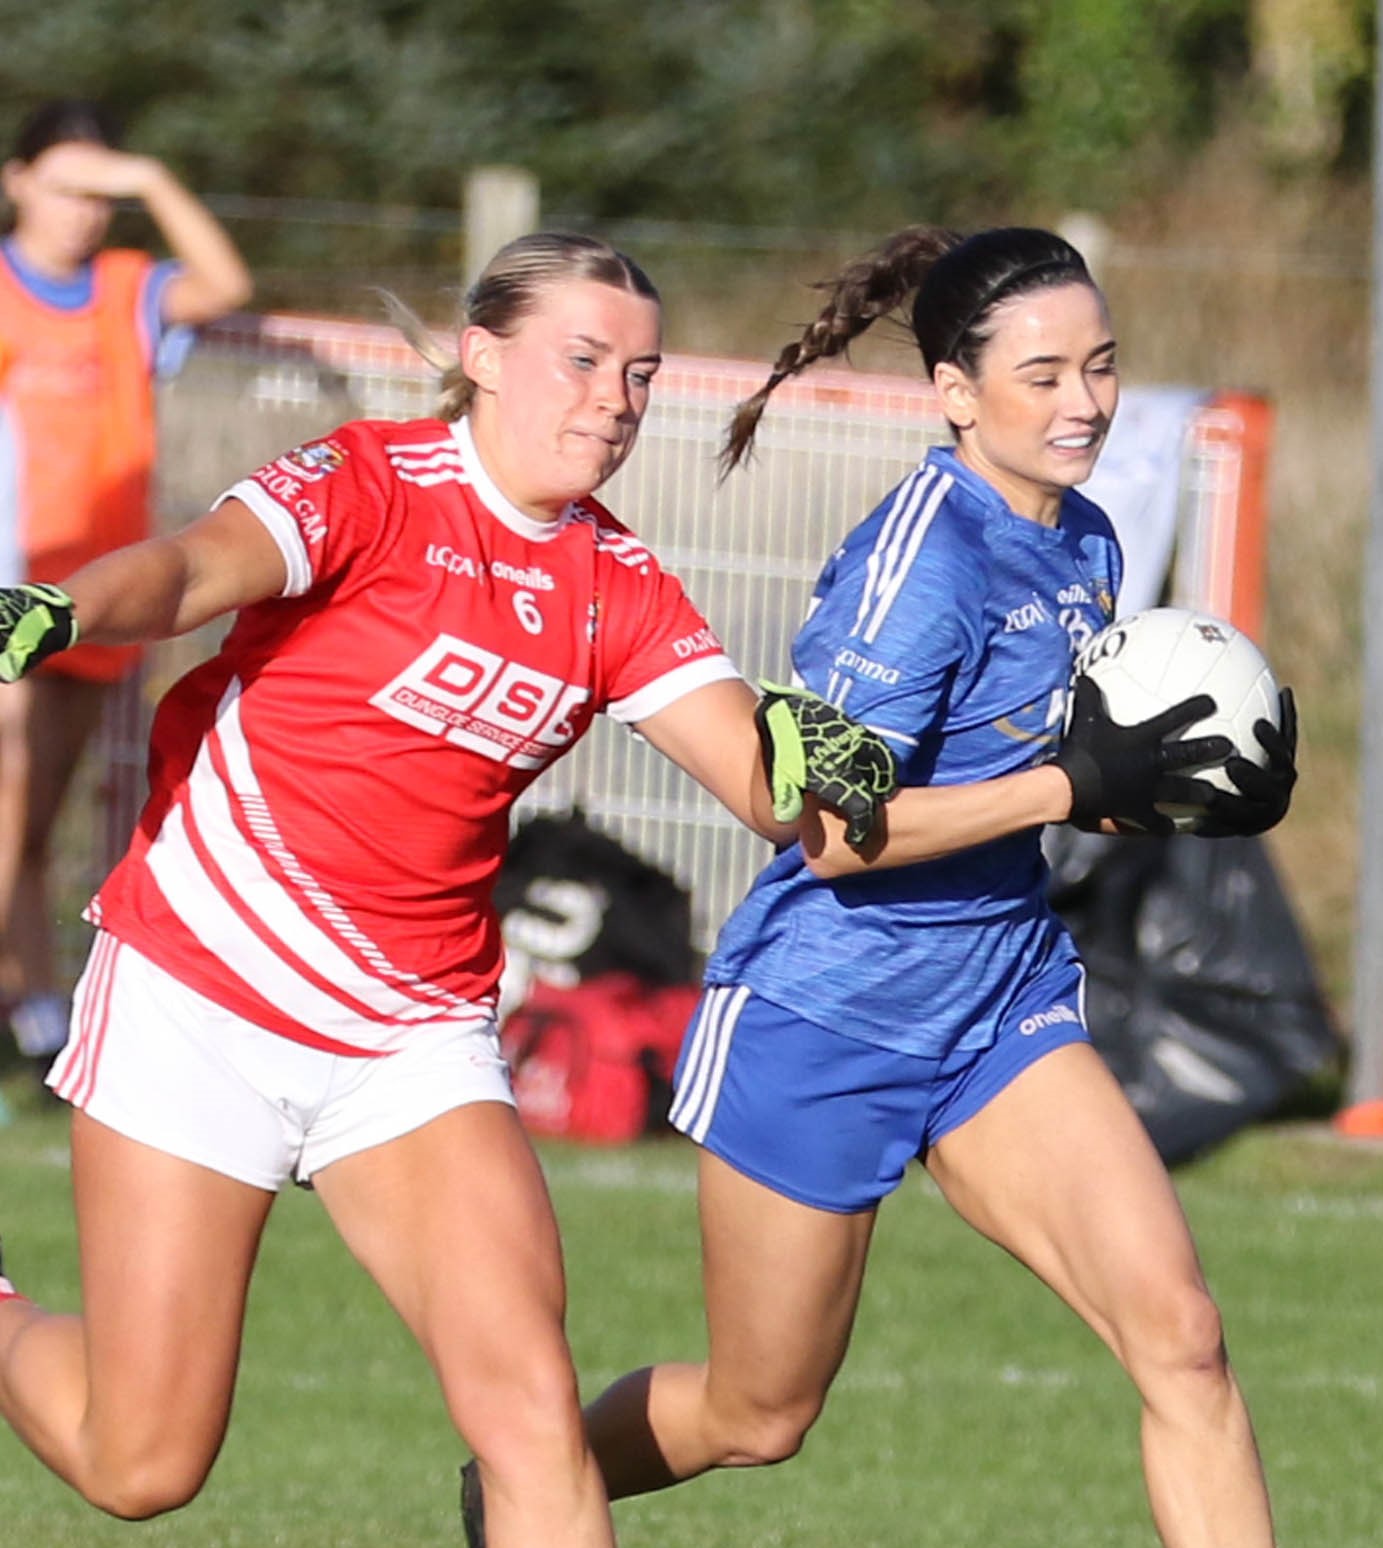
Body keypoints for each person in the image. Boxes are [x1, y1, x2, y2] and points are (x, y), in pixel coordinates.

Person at [0, 230, 895, 1547]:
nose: (614, 400)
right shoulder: (372, 483)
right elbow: (188, 569)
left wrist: (801, 748)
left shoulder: (614, 579)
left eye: (641, 376)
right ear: (480, 358)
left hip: (410, 1037)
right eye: (581, 361)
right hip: (201, 992)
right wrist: (66, 609)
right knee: (139, 1464)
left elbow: (754, 783)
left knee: (532, 1419)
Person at [463, 226, 1297, 1547]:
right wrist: (1065, 791)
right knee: (757, 1415)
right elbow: (827, 834)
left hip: (996, 1000)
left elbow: (1068, 763)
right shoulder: (917, 568)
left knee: (1181, 1338)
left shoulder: (1081, 539)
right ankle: (527, 1480)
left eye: (1100, 366)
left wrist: (1174, 779)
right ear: (955, 393)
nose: (1080, 402)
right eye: (1041, 376)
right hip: (822, 1022)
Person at [0, 98, 252, 1079]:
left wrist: (148, 181)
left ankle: (26, 1008)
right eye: (67, 187)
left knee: (37, 810)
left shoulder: (122, 289)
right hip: (13, 584)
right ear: (18, 181)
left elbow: (227, 282)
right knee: (10, 786)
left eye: (102, 195)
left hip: (96, 594)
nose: (83, 212)